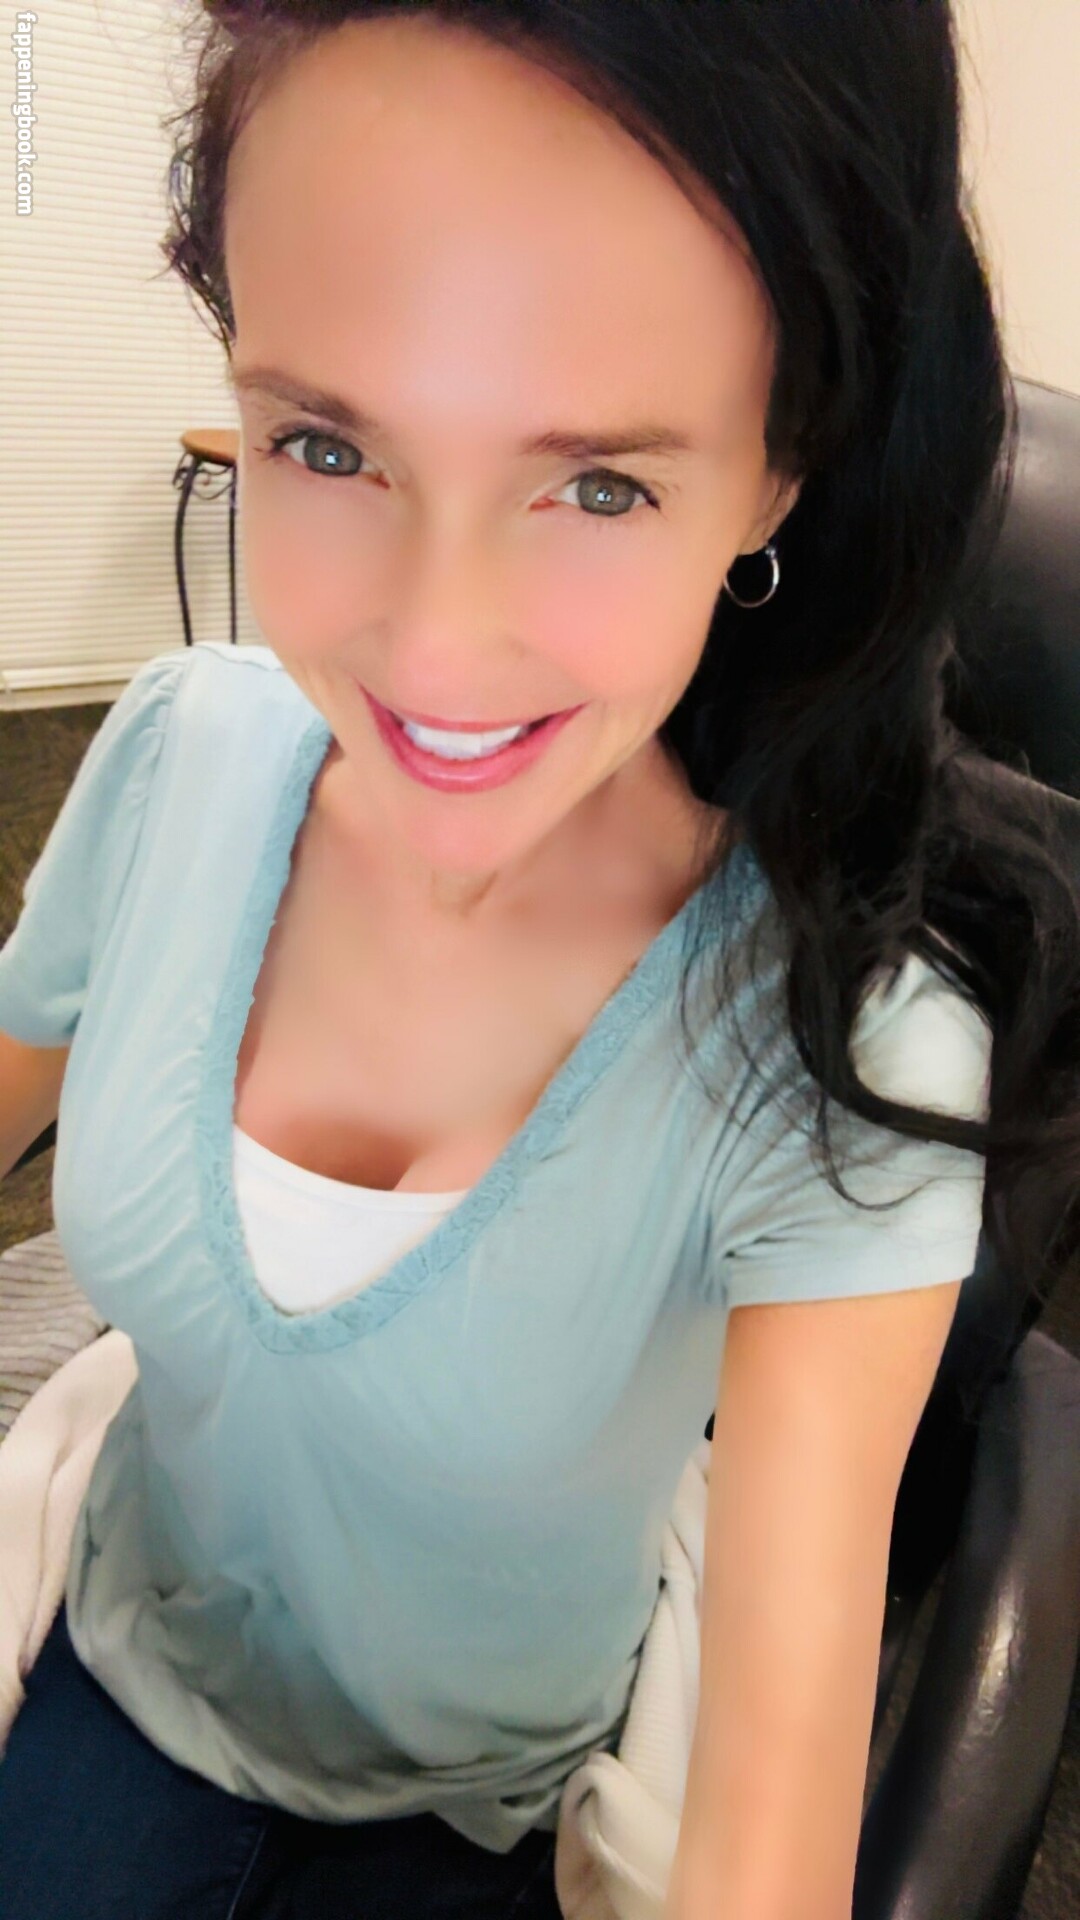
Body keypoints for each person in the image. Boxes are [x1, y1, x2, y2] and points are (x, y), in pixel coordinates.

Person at [1, 4, 1077, 1918]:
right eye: (328, 443)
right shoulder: (177, 758)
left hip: (473, 1806)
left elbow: (768, 1827)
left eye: (600, 485)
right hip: (116, 1665)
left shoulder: (838, 1039)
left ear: (777, 475)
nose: (432, 647)